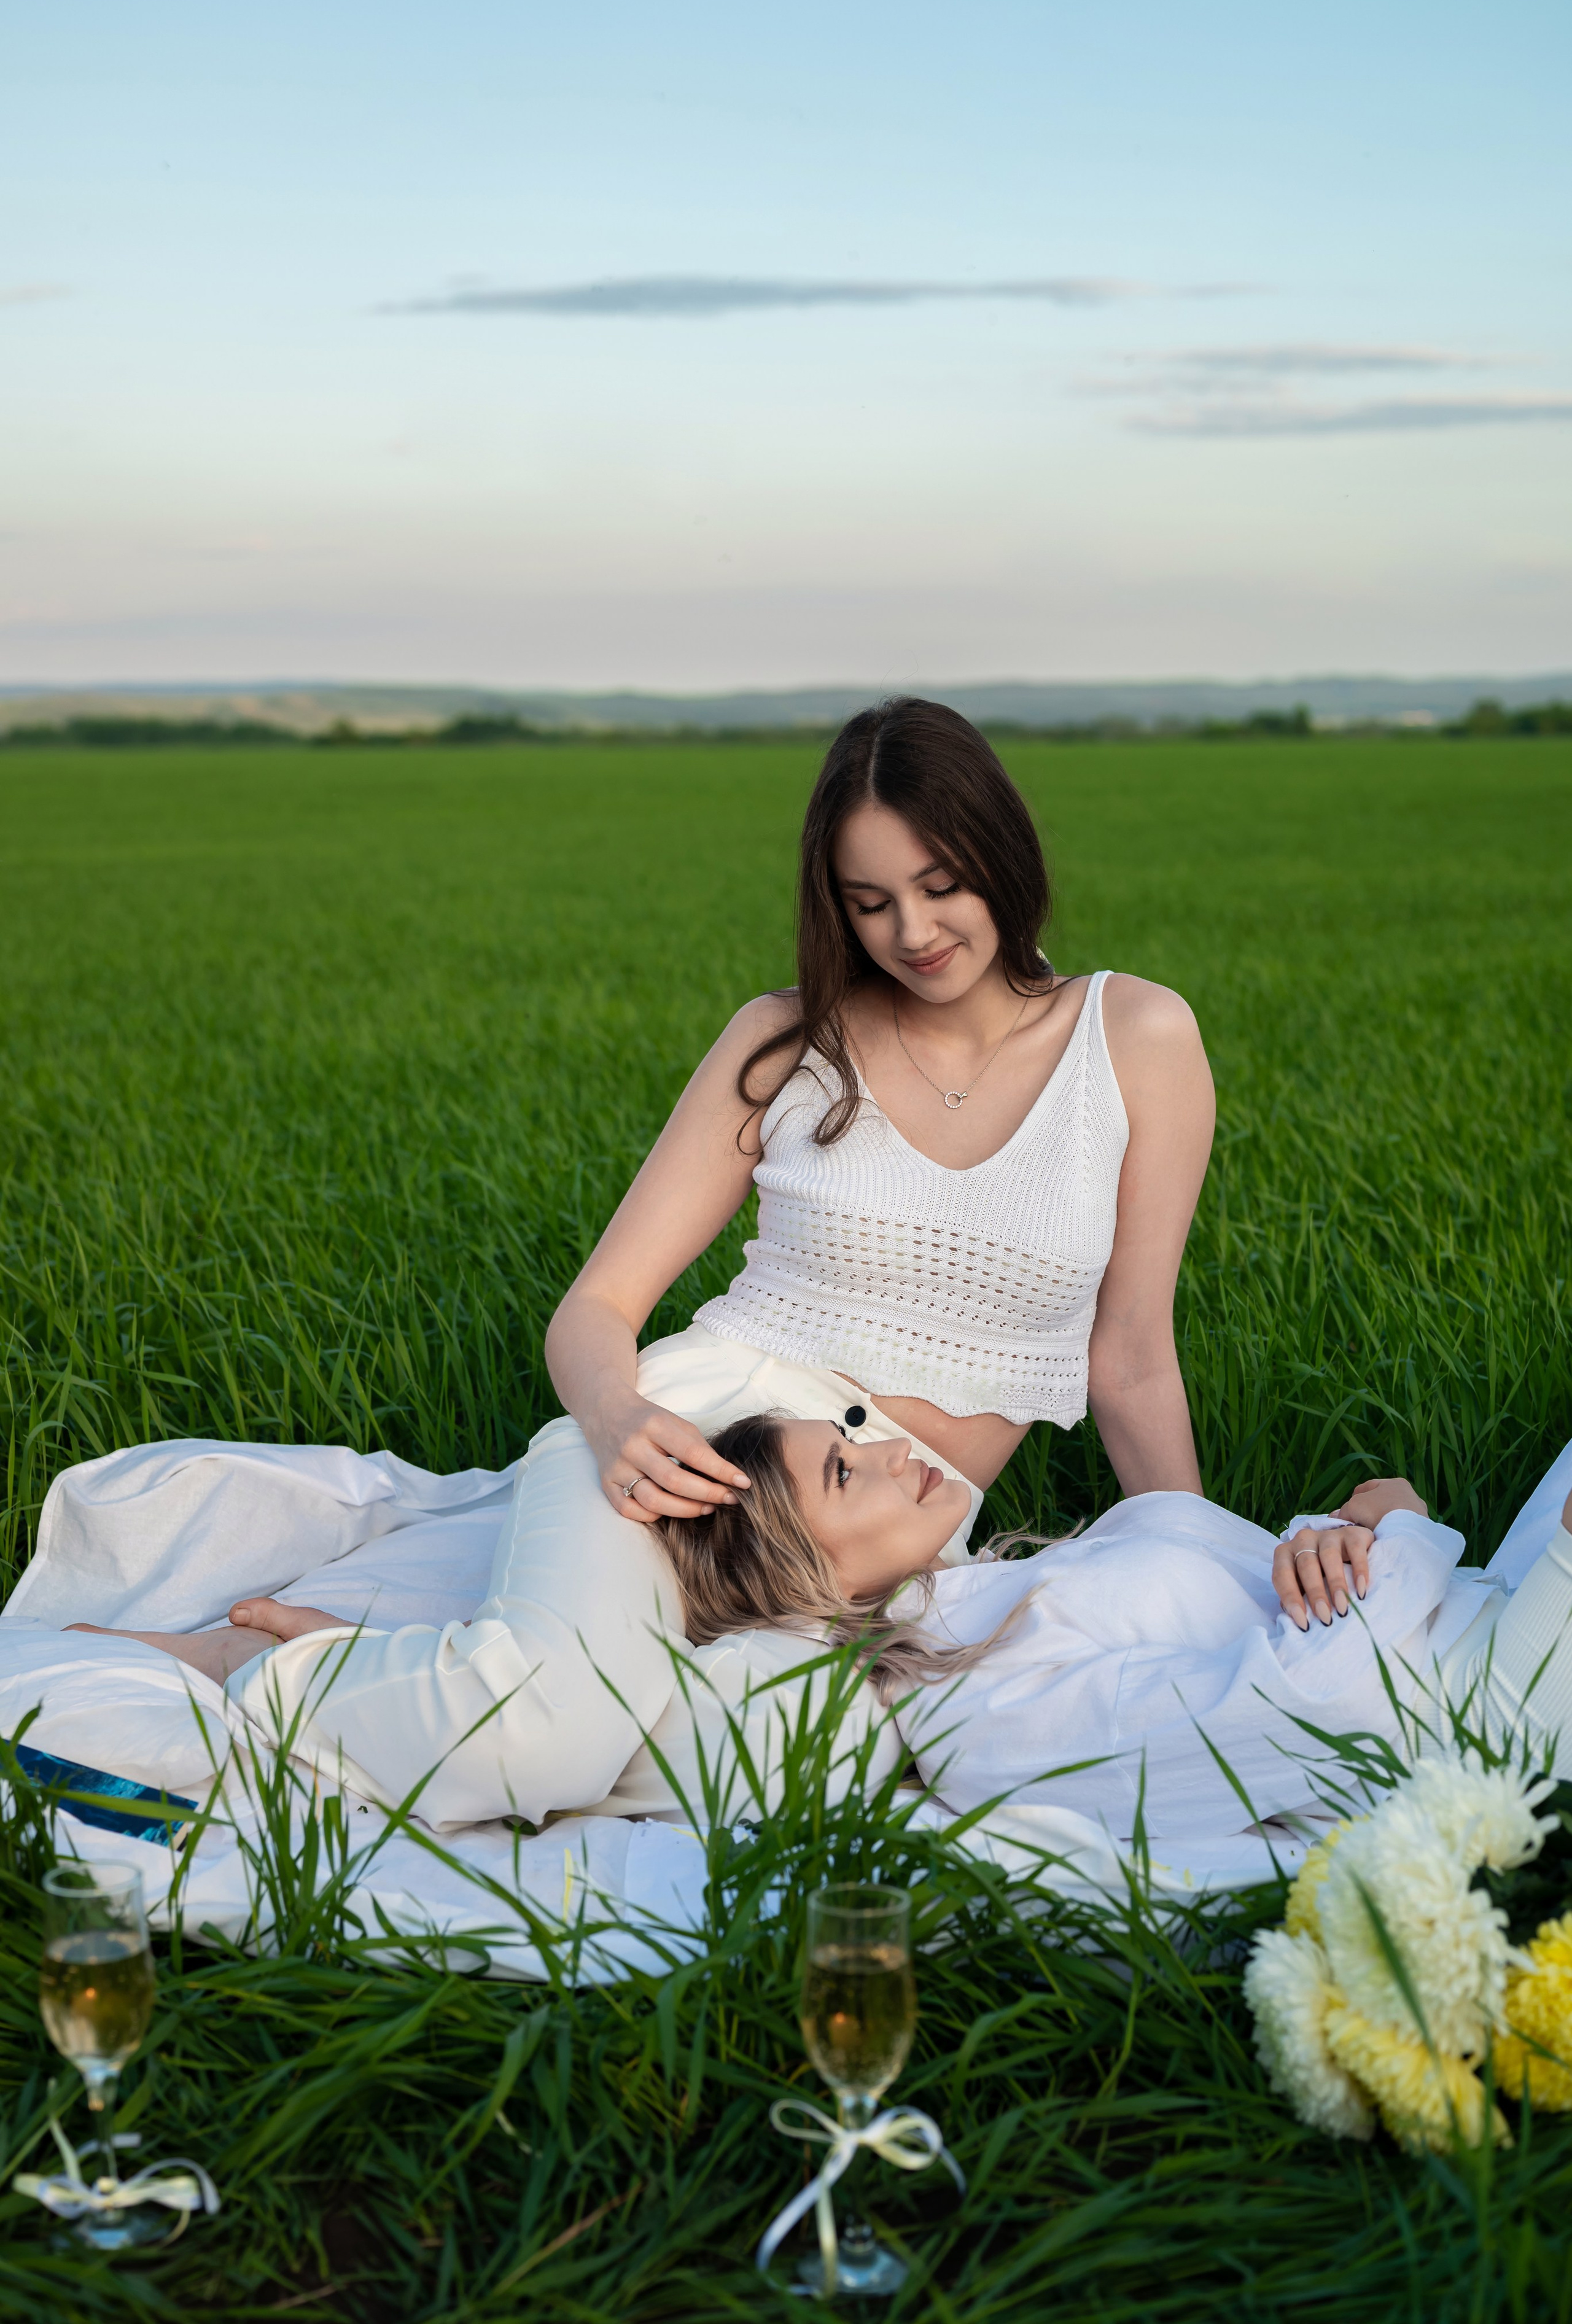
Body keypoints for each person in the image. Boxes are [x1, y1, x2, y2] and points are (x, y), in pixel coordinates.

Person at [71, 698, 1219, 1829]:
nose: (911, 932)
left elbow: (1129, 1362)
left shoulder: (1135, 1040)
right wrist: (618, 1419)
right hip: (691, 1447)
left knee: (795, 1765)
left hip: (875, 1534)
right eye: (869, 903)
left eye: (941, 885)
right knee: (553, 1739)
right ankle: (279, 1668)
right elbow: (599, 1305)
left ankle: (410, 1673)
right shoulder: (789, 1041)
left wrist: (1200, 1575)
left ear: (1003, 854)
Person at [646, 1411, 1572, 1840]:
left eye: (852, 1438)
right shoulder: (978, 1709)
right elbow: (1320, 1715)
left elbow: (1263, 1597)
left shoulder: (993, 1594)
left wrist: (1333, 1535)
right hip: (1490, 1722)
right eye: (845, 1472)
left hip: (1478, 1614)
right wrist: (1403, 1526)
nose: (893, 1448)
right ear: (805, 1577)